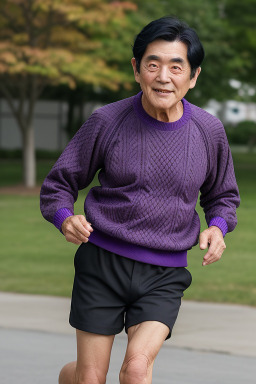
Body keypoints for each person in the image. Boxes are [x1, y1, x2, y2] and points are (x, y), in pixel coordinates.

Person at [40, 16, 240, 384]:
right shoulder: (106, 121)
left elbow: (222, 195)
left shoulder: (208, 131)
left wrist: (218, 226)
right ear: (137, 69)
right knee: (89, 379)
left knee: (135, 370)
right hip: (101, 264)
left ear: (193, 76)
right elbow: (58, 184)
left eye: (176, 67)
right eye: (153, 64)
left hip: (164, 272)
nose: (164, 77)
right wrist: (65, 216)